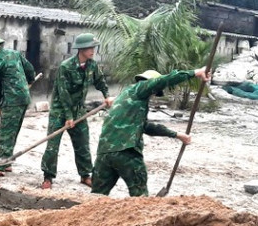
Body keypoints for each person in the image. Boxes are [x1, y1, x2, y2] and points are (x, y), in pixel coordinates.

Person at [91, 67, 210, 196]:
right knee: (140, 197)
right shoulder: (141, 87)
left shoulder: (126, 96)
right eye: (155, 91)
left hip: (104, 153)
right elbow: (165, 80)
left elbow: (146, 127)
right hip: (126, 151)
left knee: (96, 197)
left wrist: (176, 135)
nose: (153, 95)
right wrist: (195, 73)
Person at [40, 33, 114, 190]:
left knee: (82, 144)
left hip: (79, 110)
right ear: (81, 49)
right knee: (52, 145)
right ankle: (48, 177)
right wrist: (68, 117)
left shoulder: (92, 65)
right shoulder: (65, 67)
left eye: (93, 47)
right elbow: (63, 93)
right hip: (60, 111)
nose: (93, 51)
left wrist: (107, 96)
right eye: (90, 48)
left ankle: (85, 175)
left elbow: (100, 81)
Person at [0, 33, 36, 177]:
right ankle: (7, 163)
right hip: (24, 99)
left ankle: (0, 167)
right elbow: (29, 69)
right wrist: (30, 81)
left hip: (11, 102)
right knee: (13, 131)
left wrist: (1, 106)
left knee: (5, 133)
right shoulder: (15, 54)